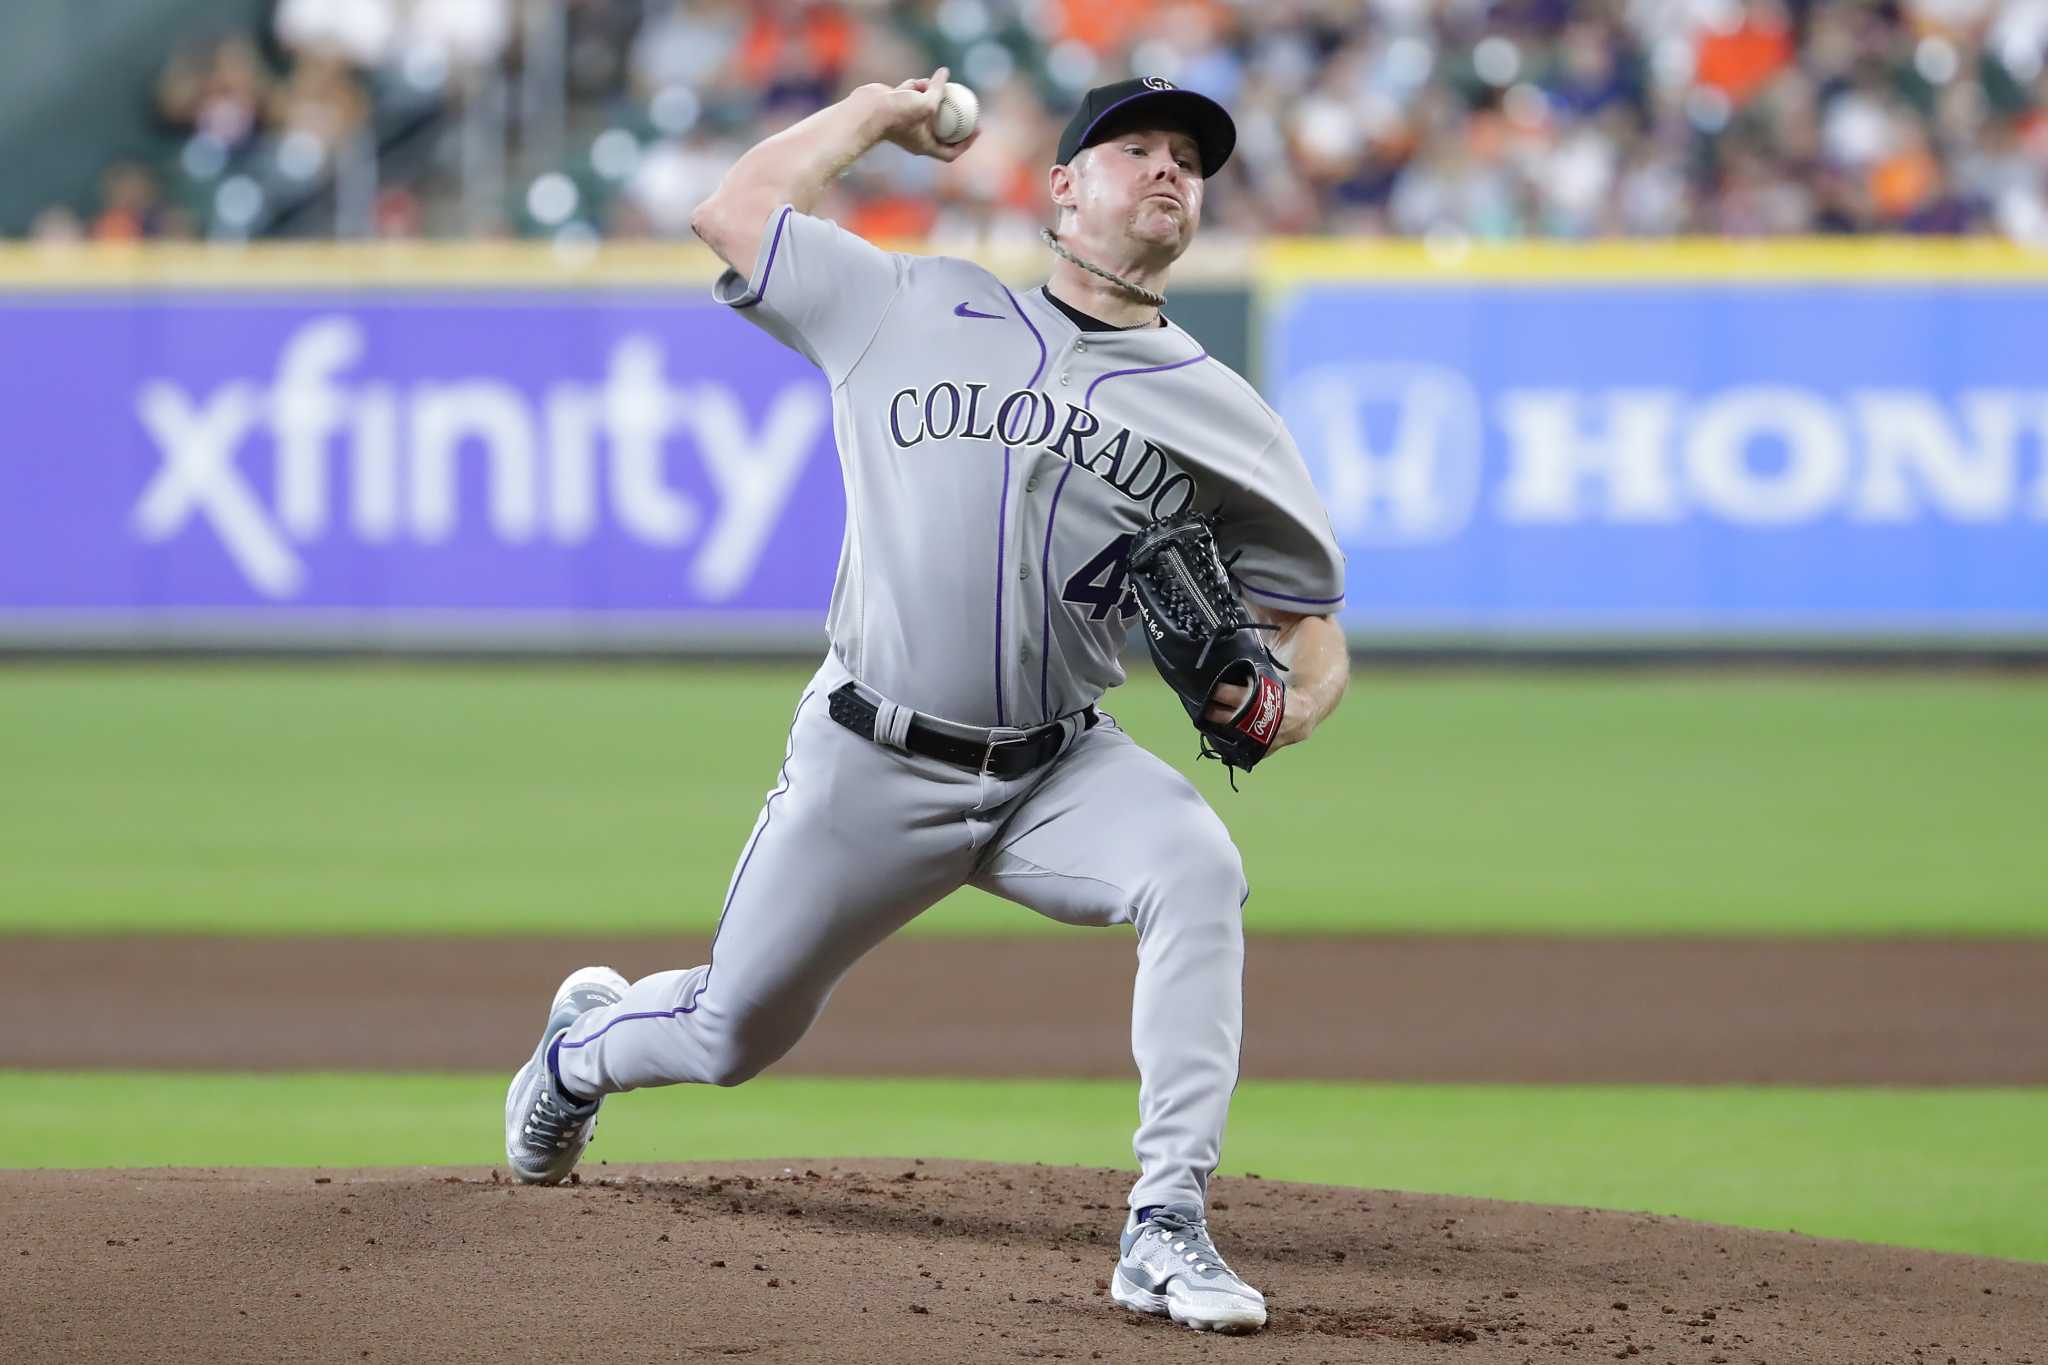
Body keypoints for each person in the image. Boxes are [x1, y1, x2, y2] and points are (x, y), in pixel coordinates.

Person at [505, 69, 1350, 1336]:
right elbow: (732, 214)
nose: (1170, 169)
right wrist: (871, 115)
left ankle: (1164, 1221)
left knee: (1194, 868)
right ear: (1063, 187)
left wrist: (1291, 708)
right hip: (870, 758)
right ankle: (580, 1048)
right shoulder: (906, 301)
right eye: (1137, 149)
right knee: (732, 1032)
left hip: (1059, 771)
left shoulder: (1222, 415)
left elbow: (1311, 626)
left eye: (1189, 156)